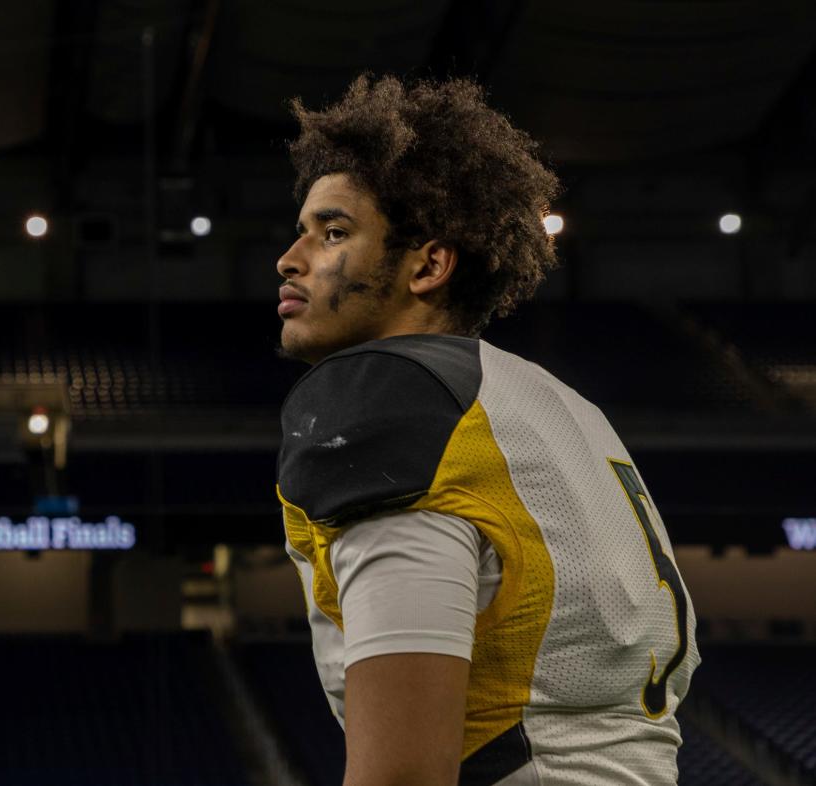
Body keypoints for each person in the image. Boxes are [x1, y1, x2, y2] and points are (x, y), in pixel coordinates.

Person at [274, 74, 699, 786]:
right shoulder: (557, 403)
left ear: (429, 265)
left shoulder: (393, 398)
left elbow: (404, 773)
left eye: (334, 232)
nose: (289, 258)